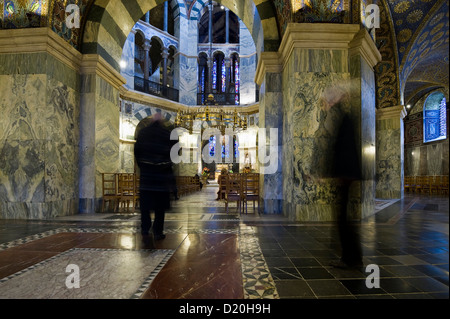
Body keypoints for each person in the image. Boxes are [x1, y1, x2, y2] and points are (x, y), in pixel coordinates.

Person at [314, 85, 363, 269]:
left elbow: (339, 149)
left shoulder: (340, 115)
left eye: (327, 100)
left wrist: (327, 173)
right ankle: (352, 257)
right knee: (343, 218)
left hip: (346, 174)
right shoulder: (343, 115)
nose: (325, 104)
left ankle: (351, 259)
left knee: (343, 218)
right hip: (347, 173)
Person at [134, 113, 175, 244]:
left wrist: (143, 167)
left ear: (151, 121)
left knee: (145, 208)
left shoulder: (143, 133)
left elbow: (137, 152)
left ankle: (145, 230)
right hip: (161, 177)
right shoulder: (166, 134)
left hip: (147, 176)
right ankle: (158, 232)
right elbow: (174, 153)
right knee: (160, 208)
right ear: (161, 122)